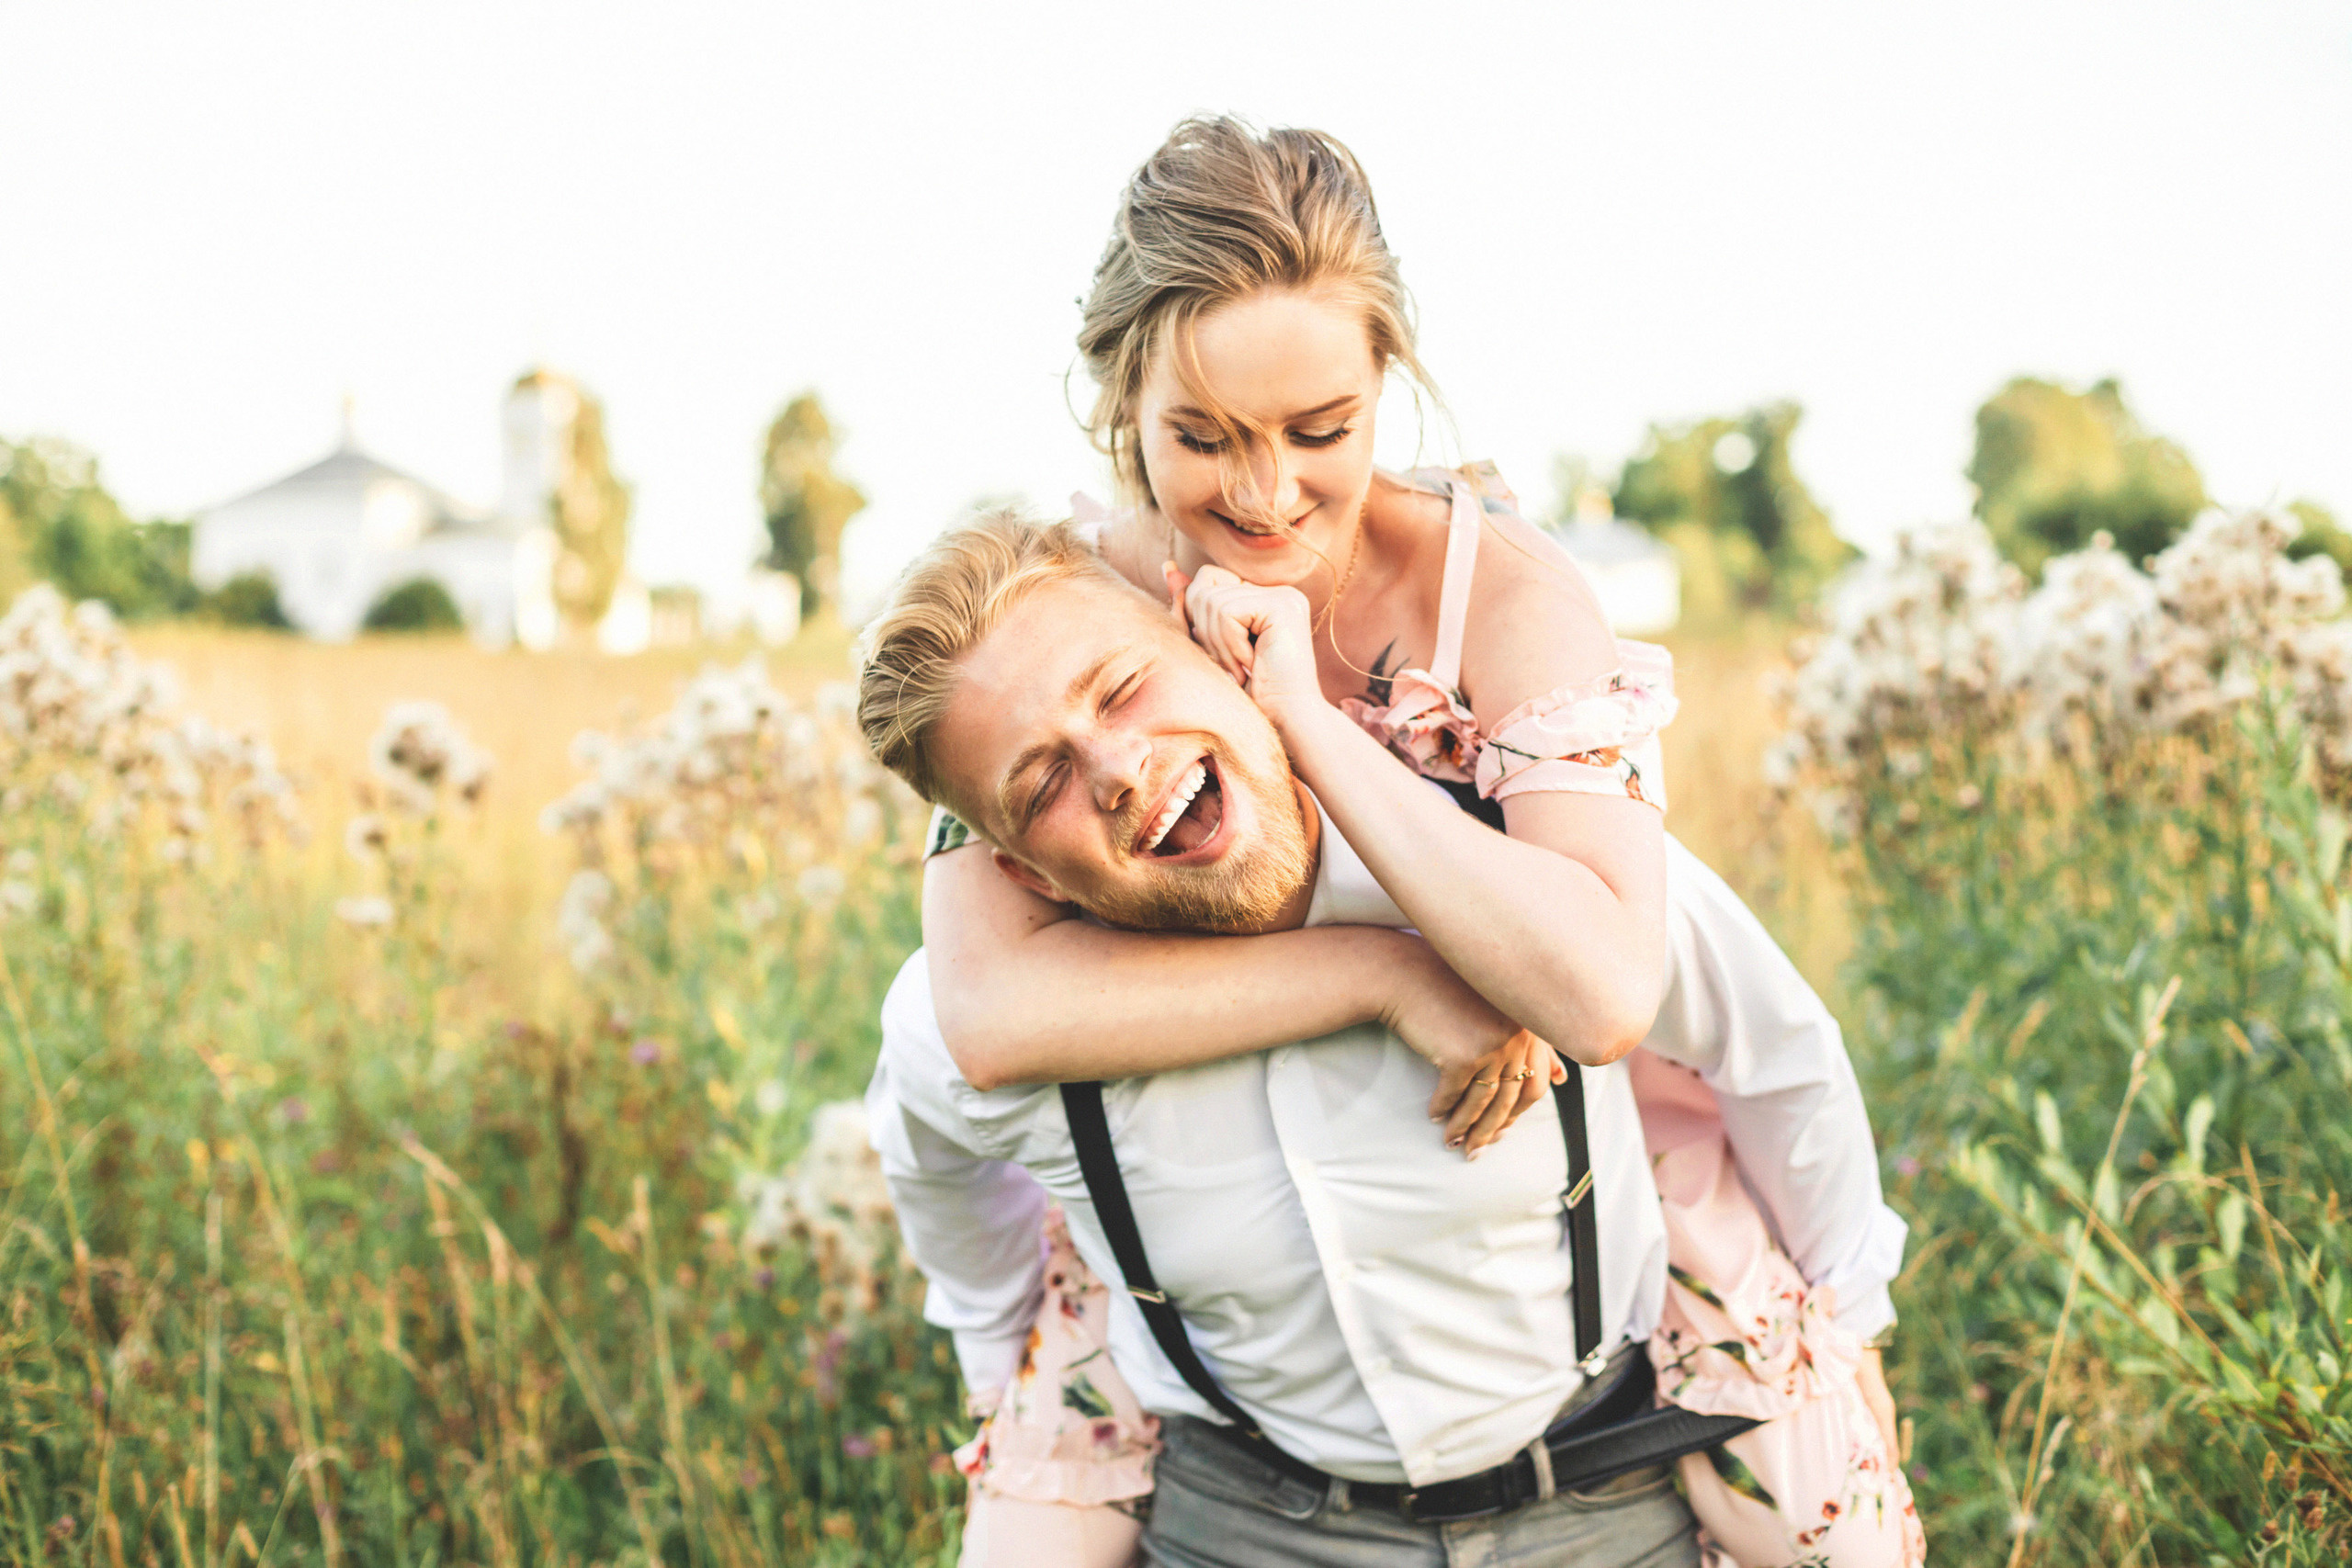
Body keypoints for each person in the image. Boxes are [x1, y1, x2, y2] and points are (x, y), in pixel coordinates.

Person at [906, 118, 1918, 1566]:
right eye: (1202, 438)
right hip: (1245, 1315)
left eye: (1320, 431)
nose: (1262, 499)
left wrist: (1301, 715)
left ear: (1390, 381)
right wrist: (1382, 979)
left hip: (1573, 1260)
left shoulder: (1498, 600)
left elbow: (1609, 994)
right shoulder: (1080, 611)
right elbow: (986, 1015)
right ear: (1121, 396)